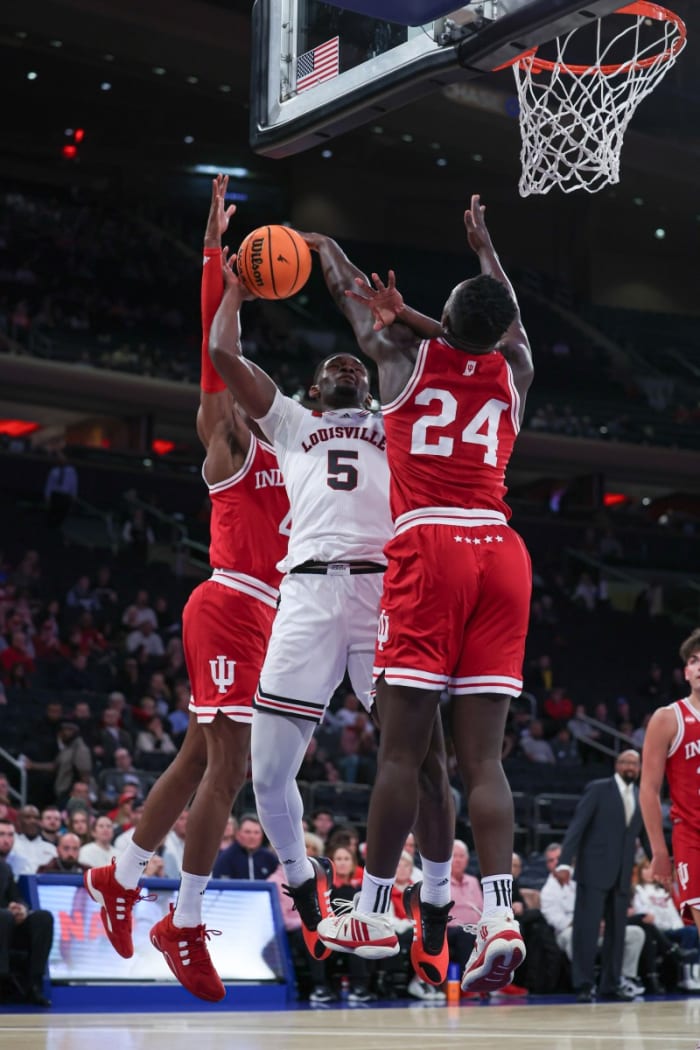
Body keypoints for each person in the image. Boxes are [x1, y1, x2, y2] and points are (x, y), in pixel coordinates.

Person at [209, 216, 454, 977]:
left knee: (427, 764)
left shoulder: (398, 415)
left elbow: (362, 307)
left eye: (358, 363)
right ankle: (308, 890)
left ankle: (437, 904)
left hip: (386, 594)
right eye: (337, 366)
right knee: (267, 770)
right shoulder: (290, 420)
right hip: (309, 597)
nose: (350, 365)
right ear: (318, 387)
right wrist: (235, 290)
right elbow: (223, 354)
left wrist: (327, 252)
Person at [305, 195, 533, 993]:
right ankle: (501, 914)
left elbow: (350, 294)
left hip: (429, 544)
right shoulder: (517, 372)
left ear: (442, 319)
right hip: (501, 551)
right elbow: (504, 330)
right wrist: (486, 251)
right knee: (484, 760)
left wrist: (322, 241)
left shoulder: (399, 359)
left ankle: (370, 905)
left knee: (403, 747)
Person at [84, 174, 290, 1003]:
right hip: (228, 601)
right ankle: (187, 919)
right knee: (230, 767)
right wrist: (217, 263)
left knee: (201, 755)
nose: (247, 394)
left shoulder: (300, 452)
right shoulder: (228, 442)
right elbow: (212, 358)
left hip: (271, 619)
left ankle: (121, 874)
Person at [554, 750, 647, 1001]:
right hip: (593, 871)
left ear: (640, 768)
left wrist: (660, 862)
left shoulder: (641, 795)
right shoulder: (598, 789)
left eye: (635, 763)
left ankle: (610, 983)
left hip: (622, 873)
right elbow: (577, 826)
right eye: (625, 762)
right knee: (587, 929)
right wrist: (564, 862)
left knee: (617, 932)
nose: (630, 767)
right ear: (617, 765)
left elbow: (645, 836)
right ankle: (584, 984)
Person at [640, 629, 700, 972]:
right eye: (694, 661)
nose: (699, 666)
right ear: (685, 672)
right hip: (691, 837)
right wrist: (659, 852)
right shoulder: (667, 718)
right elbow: (649, 790)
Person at [0, 818, 54, 1006]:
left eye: (9, 835)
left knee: (43, 917)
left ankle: (34, 984)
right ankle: (3, 981)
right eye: (1, 834)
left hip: (5, 926)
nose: (6, 839)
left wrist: (21, 908)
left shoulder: (5, 869)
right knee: (4, 916)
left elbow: (16, 896)